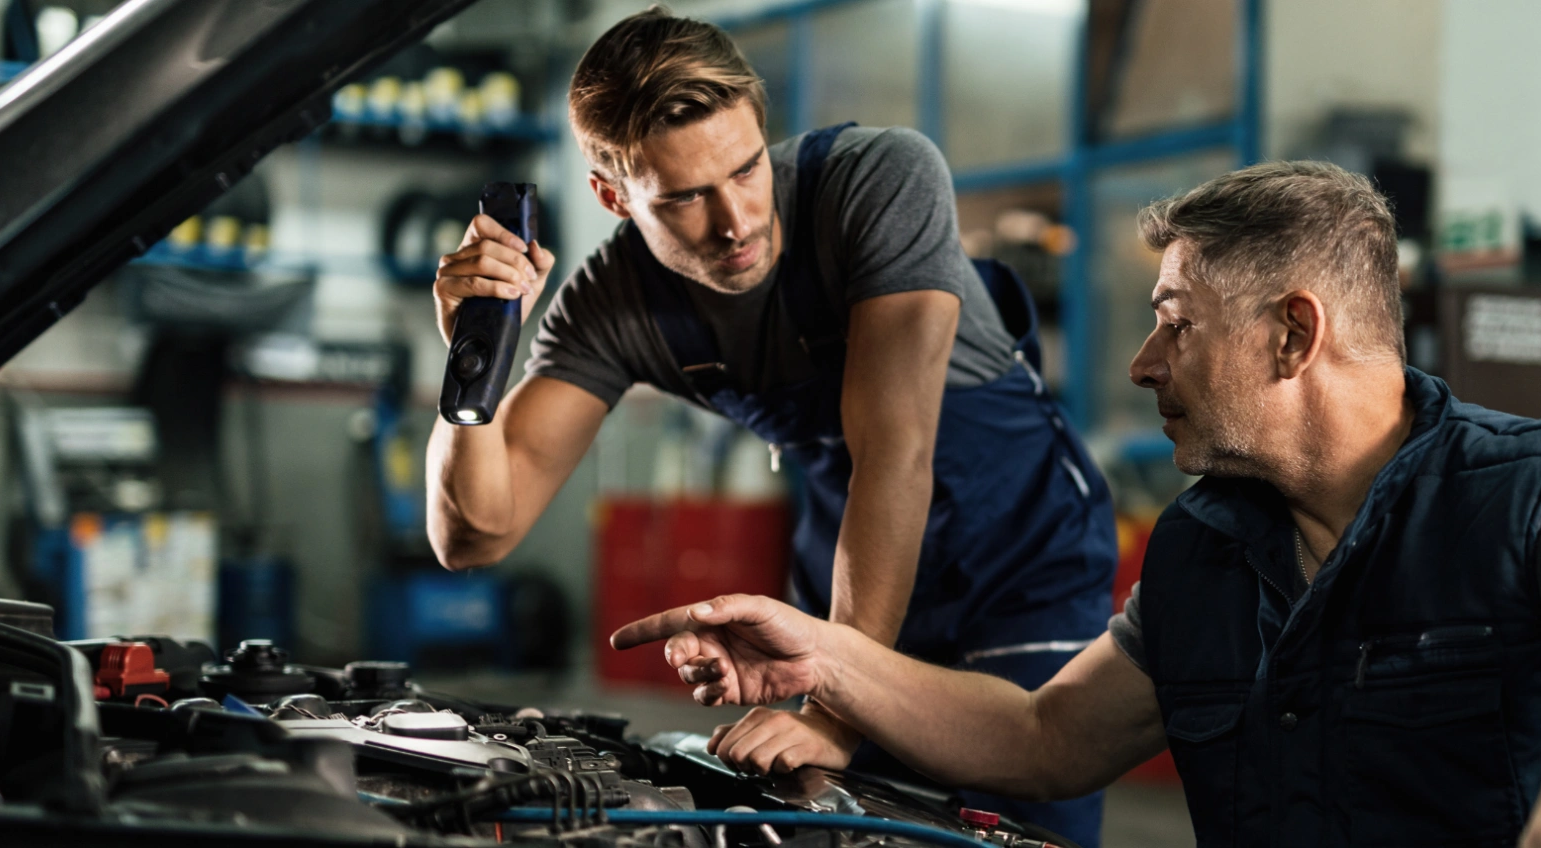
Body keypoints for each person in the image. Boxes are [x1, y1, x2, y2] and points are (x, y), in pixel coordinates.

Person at [612, 162, 1541, 848]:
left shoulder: (1528, 491)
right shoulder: (1206, 549)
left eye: (1177, 321)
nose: (1146, 362)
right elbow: (1042, 735)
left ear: (1293, 333)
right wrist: (821, 650)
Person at [422, 8, 1116, 844]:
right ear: (612, 196)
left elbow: (894, 453)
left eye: (747, 169)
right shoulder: (612, 305)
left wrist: (834, 706)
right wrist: (472, 357)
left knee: (1010, 821)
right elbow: (475, 536)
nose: (736, 220)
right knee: (841, 826)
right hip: (849, 575)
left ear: (762, 128)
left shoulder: (877, 182)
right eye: (683, 198)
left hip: (1020, 558)